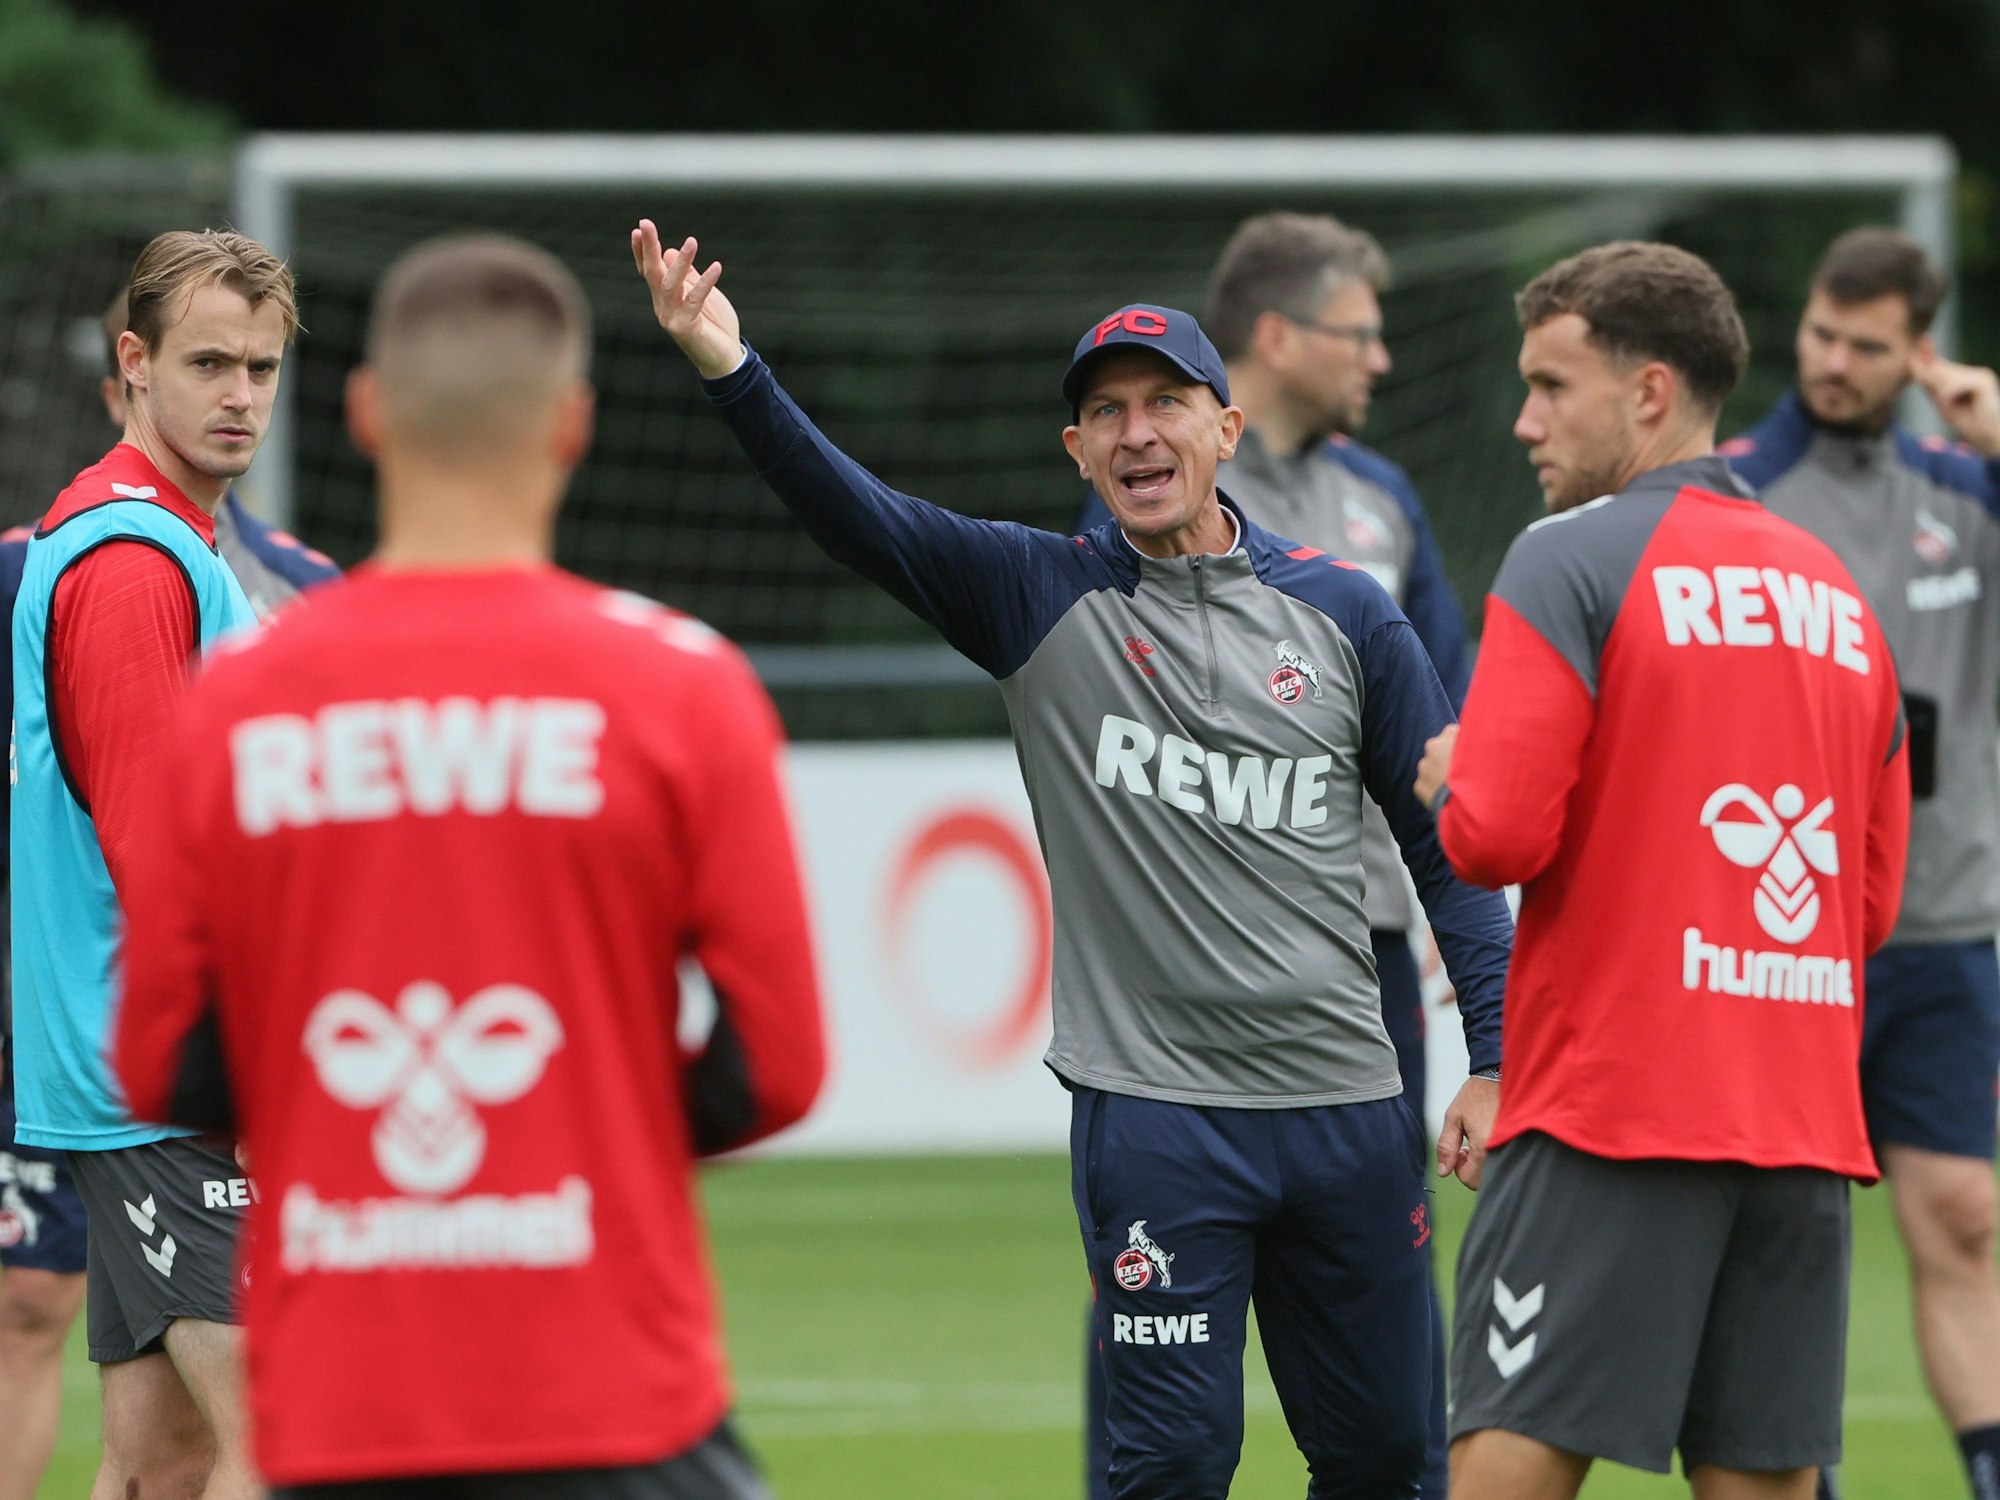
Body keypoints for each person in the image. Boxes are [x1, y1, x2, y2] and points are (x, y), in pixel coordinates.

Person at [634, 219, 1515, 1499]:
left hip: (1345, 1112)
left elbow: (1449, 844)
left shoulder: (1346, 614)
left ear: (1225, 427)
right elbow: (856, 517)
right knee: (1167, 1466)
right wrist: (729, 366)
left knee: (1388, 1460)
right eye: (1104, 414)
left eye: (1164, 402)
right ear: (1075, 452)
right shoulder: (1035, 594)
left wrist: (1491, 1055)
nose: (1135, 432)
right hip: (1157, 1120)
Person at [113, 233, 826, 1497]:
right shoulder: (681, 690)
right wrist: (581, 1120)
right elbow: (778, 1062)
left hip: (342, 1413)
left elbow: (162, 1055)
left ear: (369, 414)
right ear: (571, 425)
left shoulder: (237, 708)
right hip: (614, 1397)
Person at [1418, 242, 1910, 1500]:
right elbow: (1864, 905)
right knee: (1760, 1482)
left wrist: (1448, 779)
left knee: (1501, 1470)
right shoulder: (1837, 596)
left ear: (1646, 393)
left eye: (1549, 385)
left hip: (1610, 1115)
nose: (1523, 420)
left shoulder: (1565, 556)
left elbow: (1497, 837)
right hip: (1796, 1125)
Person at [1074, 211, 1471, 1500]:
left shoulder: (1379, 506)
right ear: (1277, 341)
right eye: (1358, 330)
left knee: (1379, 1390)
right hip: (1180, 1005)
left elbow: (1451, 748)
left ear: (1220, 422)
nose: (1381, 358)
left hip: (1358, 961)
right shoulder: (1123, 519)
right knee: (1158, 1358)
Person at [0, 280, 336, 1500]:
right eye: (208, 364)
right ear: (133, 363)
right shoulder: (136, 560)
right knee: (286, 1433)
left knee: (162, 1459)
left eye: (259, 367)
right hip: (166, 1074)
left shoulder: (156, 534)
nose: (239, 395)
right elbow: (160, 848)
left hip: (138, 1062)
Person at [1721, 227, 2000, 1500]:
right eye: (1821, 334)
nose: (1833, 362)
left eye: (1866, 346)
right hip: (1779, 936)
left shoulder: (1967, 488)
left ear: (1917, 353)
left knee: (1960, 1216)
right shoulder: (1727, 492)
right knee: (1785, 1236)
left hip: (1941, 928)